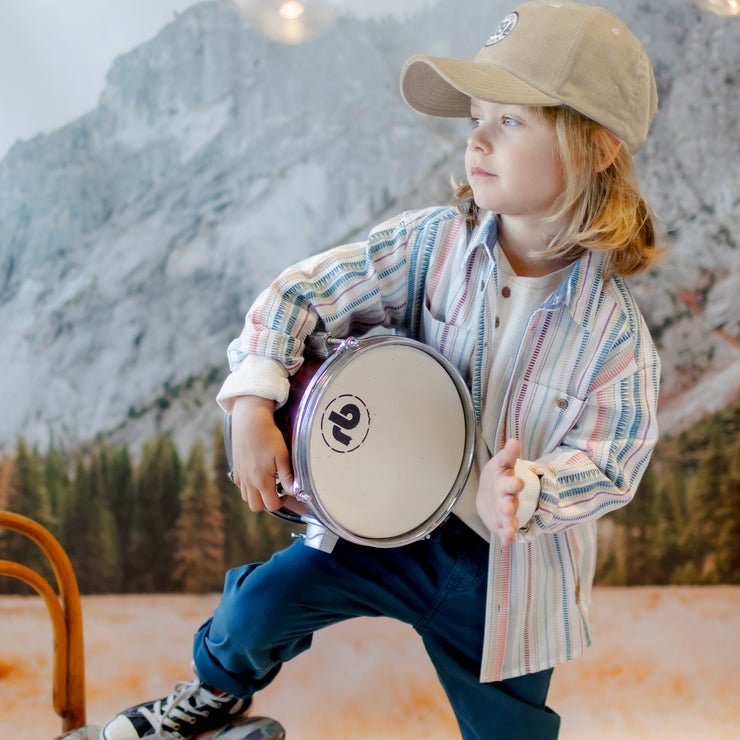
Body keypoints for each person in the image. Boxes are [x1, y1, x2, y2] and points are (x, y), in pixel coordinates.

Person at [102, 2, 664, 738]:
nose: (479, 141)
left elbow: (614, 459)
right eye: (475, 120)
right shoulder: (429, 247)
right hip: (385, 532)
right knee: (256, 610)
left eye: (513, 121)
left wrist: (533, 490)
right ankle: (212, 695)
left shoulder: (616, 336)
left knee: (512, 730)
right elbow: (299, 294)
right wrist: (250, 403)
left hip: (507, 579)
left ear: (598, 149)